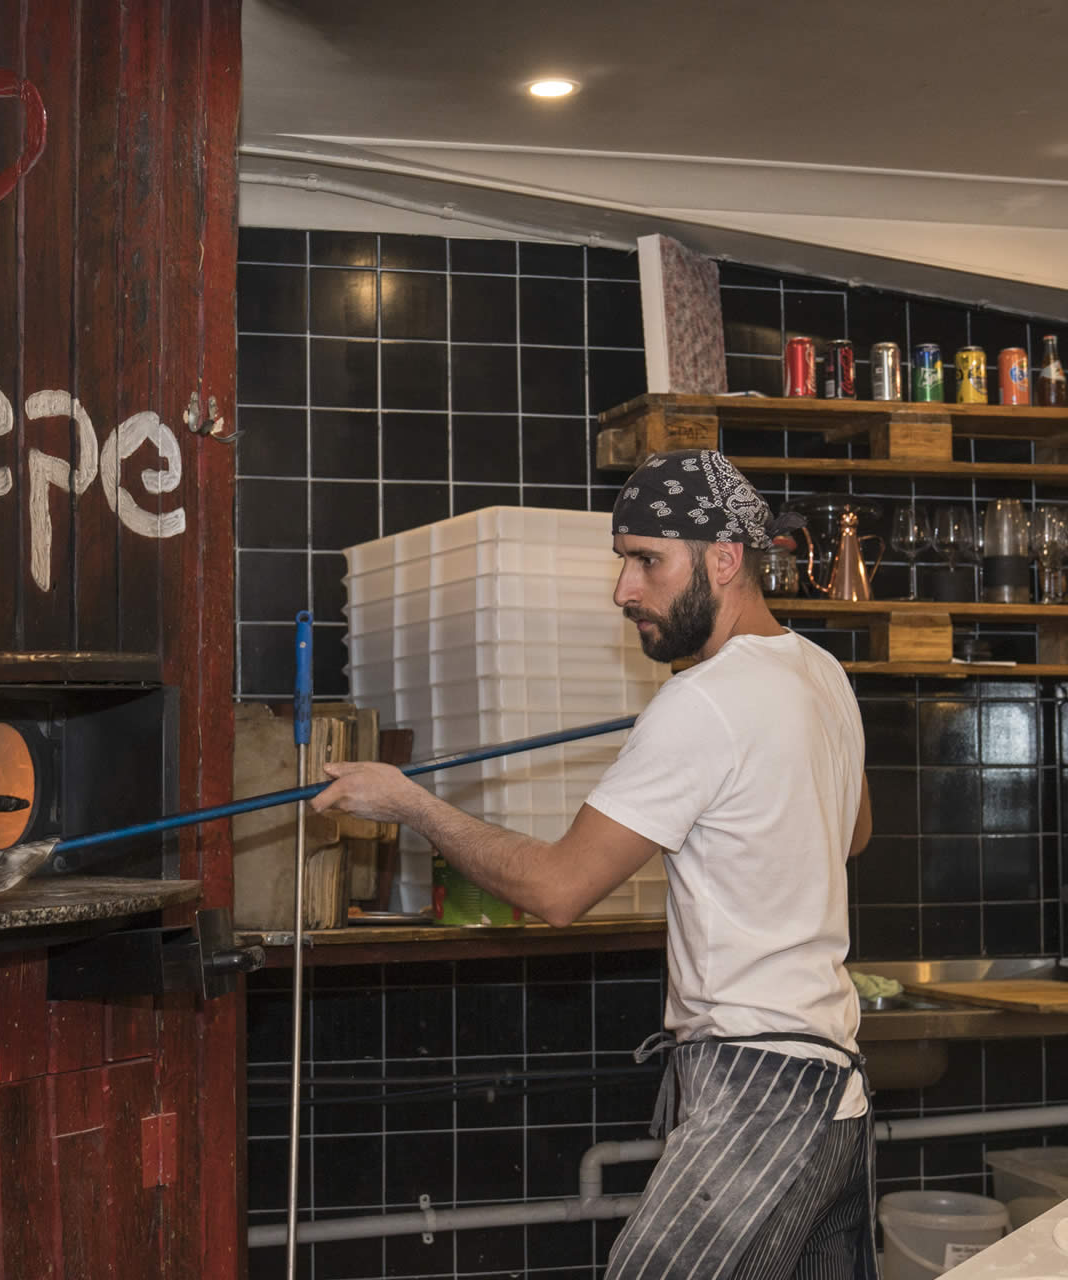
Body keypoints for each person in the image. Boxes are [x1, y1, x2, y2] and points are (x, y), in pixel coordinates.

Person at [312, 449, 876, 1279]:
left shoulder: (703, 700)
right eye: (623, 562)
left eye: (647, 561)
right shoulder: (821, 673)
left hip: (759, 1089)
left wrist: (411, 805)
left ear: (724, 559)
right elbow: (852, 833)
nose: (623, 590)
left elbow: (557, 889)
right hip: (836, 1091)